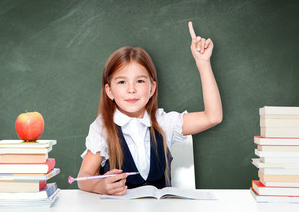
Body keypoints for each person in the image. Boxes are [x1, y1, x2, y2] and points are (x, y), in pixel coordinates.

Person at [78, 22, 222, 195]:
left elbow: (213, 117)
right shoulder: (103, 128)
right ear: (109, 91)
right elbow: (83, 177)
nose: (131, 89)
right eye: (122, 82)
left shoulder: (164, 122)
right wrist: (99, 186)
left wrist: (203, 63)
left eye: (140, 81)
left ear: (152, 88)